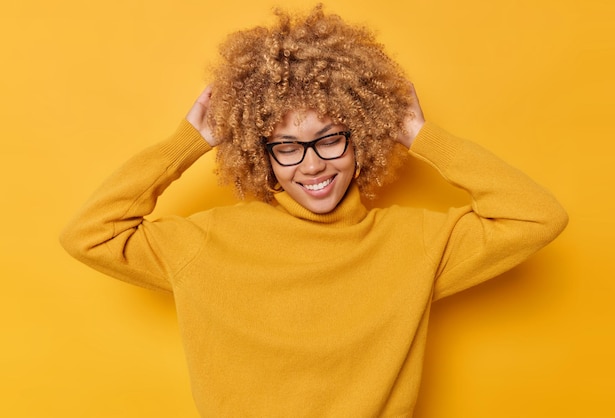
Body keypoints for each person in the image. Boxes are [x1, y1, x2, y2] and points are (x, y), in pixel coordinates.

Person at [59, 4, 568, 417]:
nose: (312, 165)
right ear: (262, 156)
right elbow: (89, 234)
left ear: (363, 138)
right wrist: (186, 144)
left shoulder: (416, 244)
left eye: (330, 139)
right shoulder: (204, 245)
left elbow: (536, 216)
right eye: (287, 146)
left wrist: (420, 135)